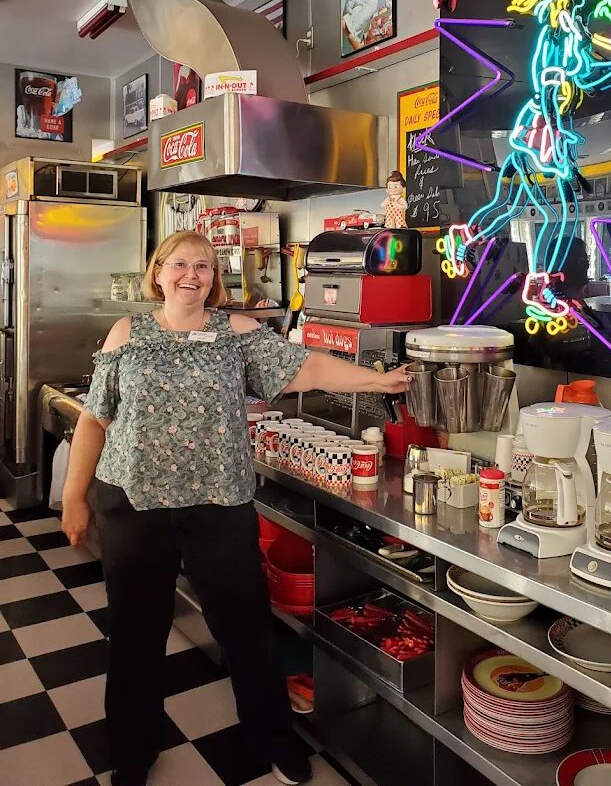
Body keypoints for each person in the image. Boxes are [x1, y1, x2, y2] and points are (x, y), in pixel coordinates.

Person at [61, 230, 410, 786]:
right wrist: (73, 496)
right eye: (180, 264)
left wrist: (378, 379)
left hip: (218, 504)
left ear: (214, 279)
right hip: (134, 504)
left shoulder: (238, 334)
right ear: (158, 272)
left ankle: (273, 739)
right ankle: (132, 749)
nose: (191, 275)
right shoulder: (127, 332)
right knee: (135, 634)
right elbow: (94, 419)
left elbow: (307, 369)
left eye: (203, 266)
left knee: (246, 630)